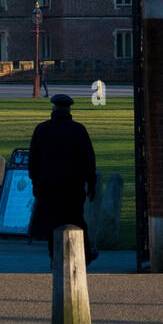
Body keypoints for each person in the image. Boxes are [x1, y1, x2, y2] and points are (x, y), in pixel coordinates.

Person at [28, 94, 99, 265]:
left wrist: (35, 183)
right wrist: (91, 184)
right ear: (69, 110)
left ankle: (55, 256)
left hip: (48, 186)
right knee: (76, 219)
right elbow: (89, 159)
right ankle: (85, 253)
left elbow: (33, 161)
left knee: (52, 221)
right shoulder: (79, 130)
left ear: (52, 109)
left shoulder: (42, 129)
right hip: (73, 186)